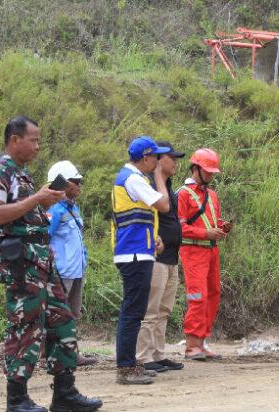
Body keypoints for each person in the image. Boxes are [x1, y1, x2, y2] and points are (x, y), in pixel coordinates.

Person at [0, 116, 102, 412]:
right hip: (21, 264)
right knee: (25, 327)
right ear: (14, 140)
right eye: (33, 140)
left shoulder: (21, 174)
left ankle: (64, 393)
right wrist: (37, 198)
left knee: (62, 321)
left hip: (41, 263)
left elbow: (23, 212)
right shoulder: (1, 171)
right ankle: (17, 399)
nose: (38, 146)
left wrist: (40, 203)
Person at [111, 135, 171, 384]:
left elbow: (138, 216)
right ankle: (125, 368)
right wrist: (159, 176)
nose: (158, 161)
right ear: (145, 158)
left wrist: (153, 237)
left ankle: (129, 364)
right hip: (134, 254)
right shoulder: (134, 179)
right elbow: (164, 204)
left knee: (133, 311)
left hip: (137, 250)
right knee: (133, 312)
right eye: (156, 157)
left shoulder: (130, 179)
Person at [136, 141, 186, 373]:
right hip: (155, 257)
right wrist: (156, 176)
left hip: (172, 257)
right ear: (158, 159)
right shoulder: (147, 185)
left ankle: (157, 354)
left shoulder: (167, 185)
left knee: (164, 310)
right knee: (150, 309)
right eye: (171, 157)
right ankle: (142, 357)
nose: (175, 162)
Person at [178, 148, 233, 361]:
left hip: (211, 250)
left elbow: (214, 221)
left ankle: (202, 342)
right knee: (197, 296)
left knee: (213, 293)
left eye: (212, 172)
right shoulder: (183, 194)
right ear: (195, 169)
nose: (210, 175)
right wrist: (206, 233)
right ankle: (192, 346)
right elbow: (180, 228)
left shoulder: (212, 195)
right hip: (192, 251)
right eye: (207, 171)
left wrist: (222, 226)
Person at [46, 160, 97, 367]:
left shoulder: (74, 209)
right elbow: (44, 237)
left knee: (72, 313)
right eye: (76, 181)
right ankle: (49, 354)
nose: (79, 185)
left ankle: (71, 353)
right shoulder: (54, 209)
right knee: (57, 313)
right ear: (64, 183)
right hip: (61, 271)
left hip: (76, 270)